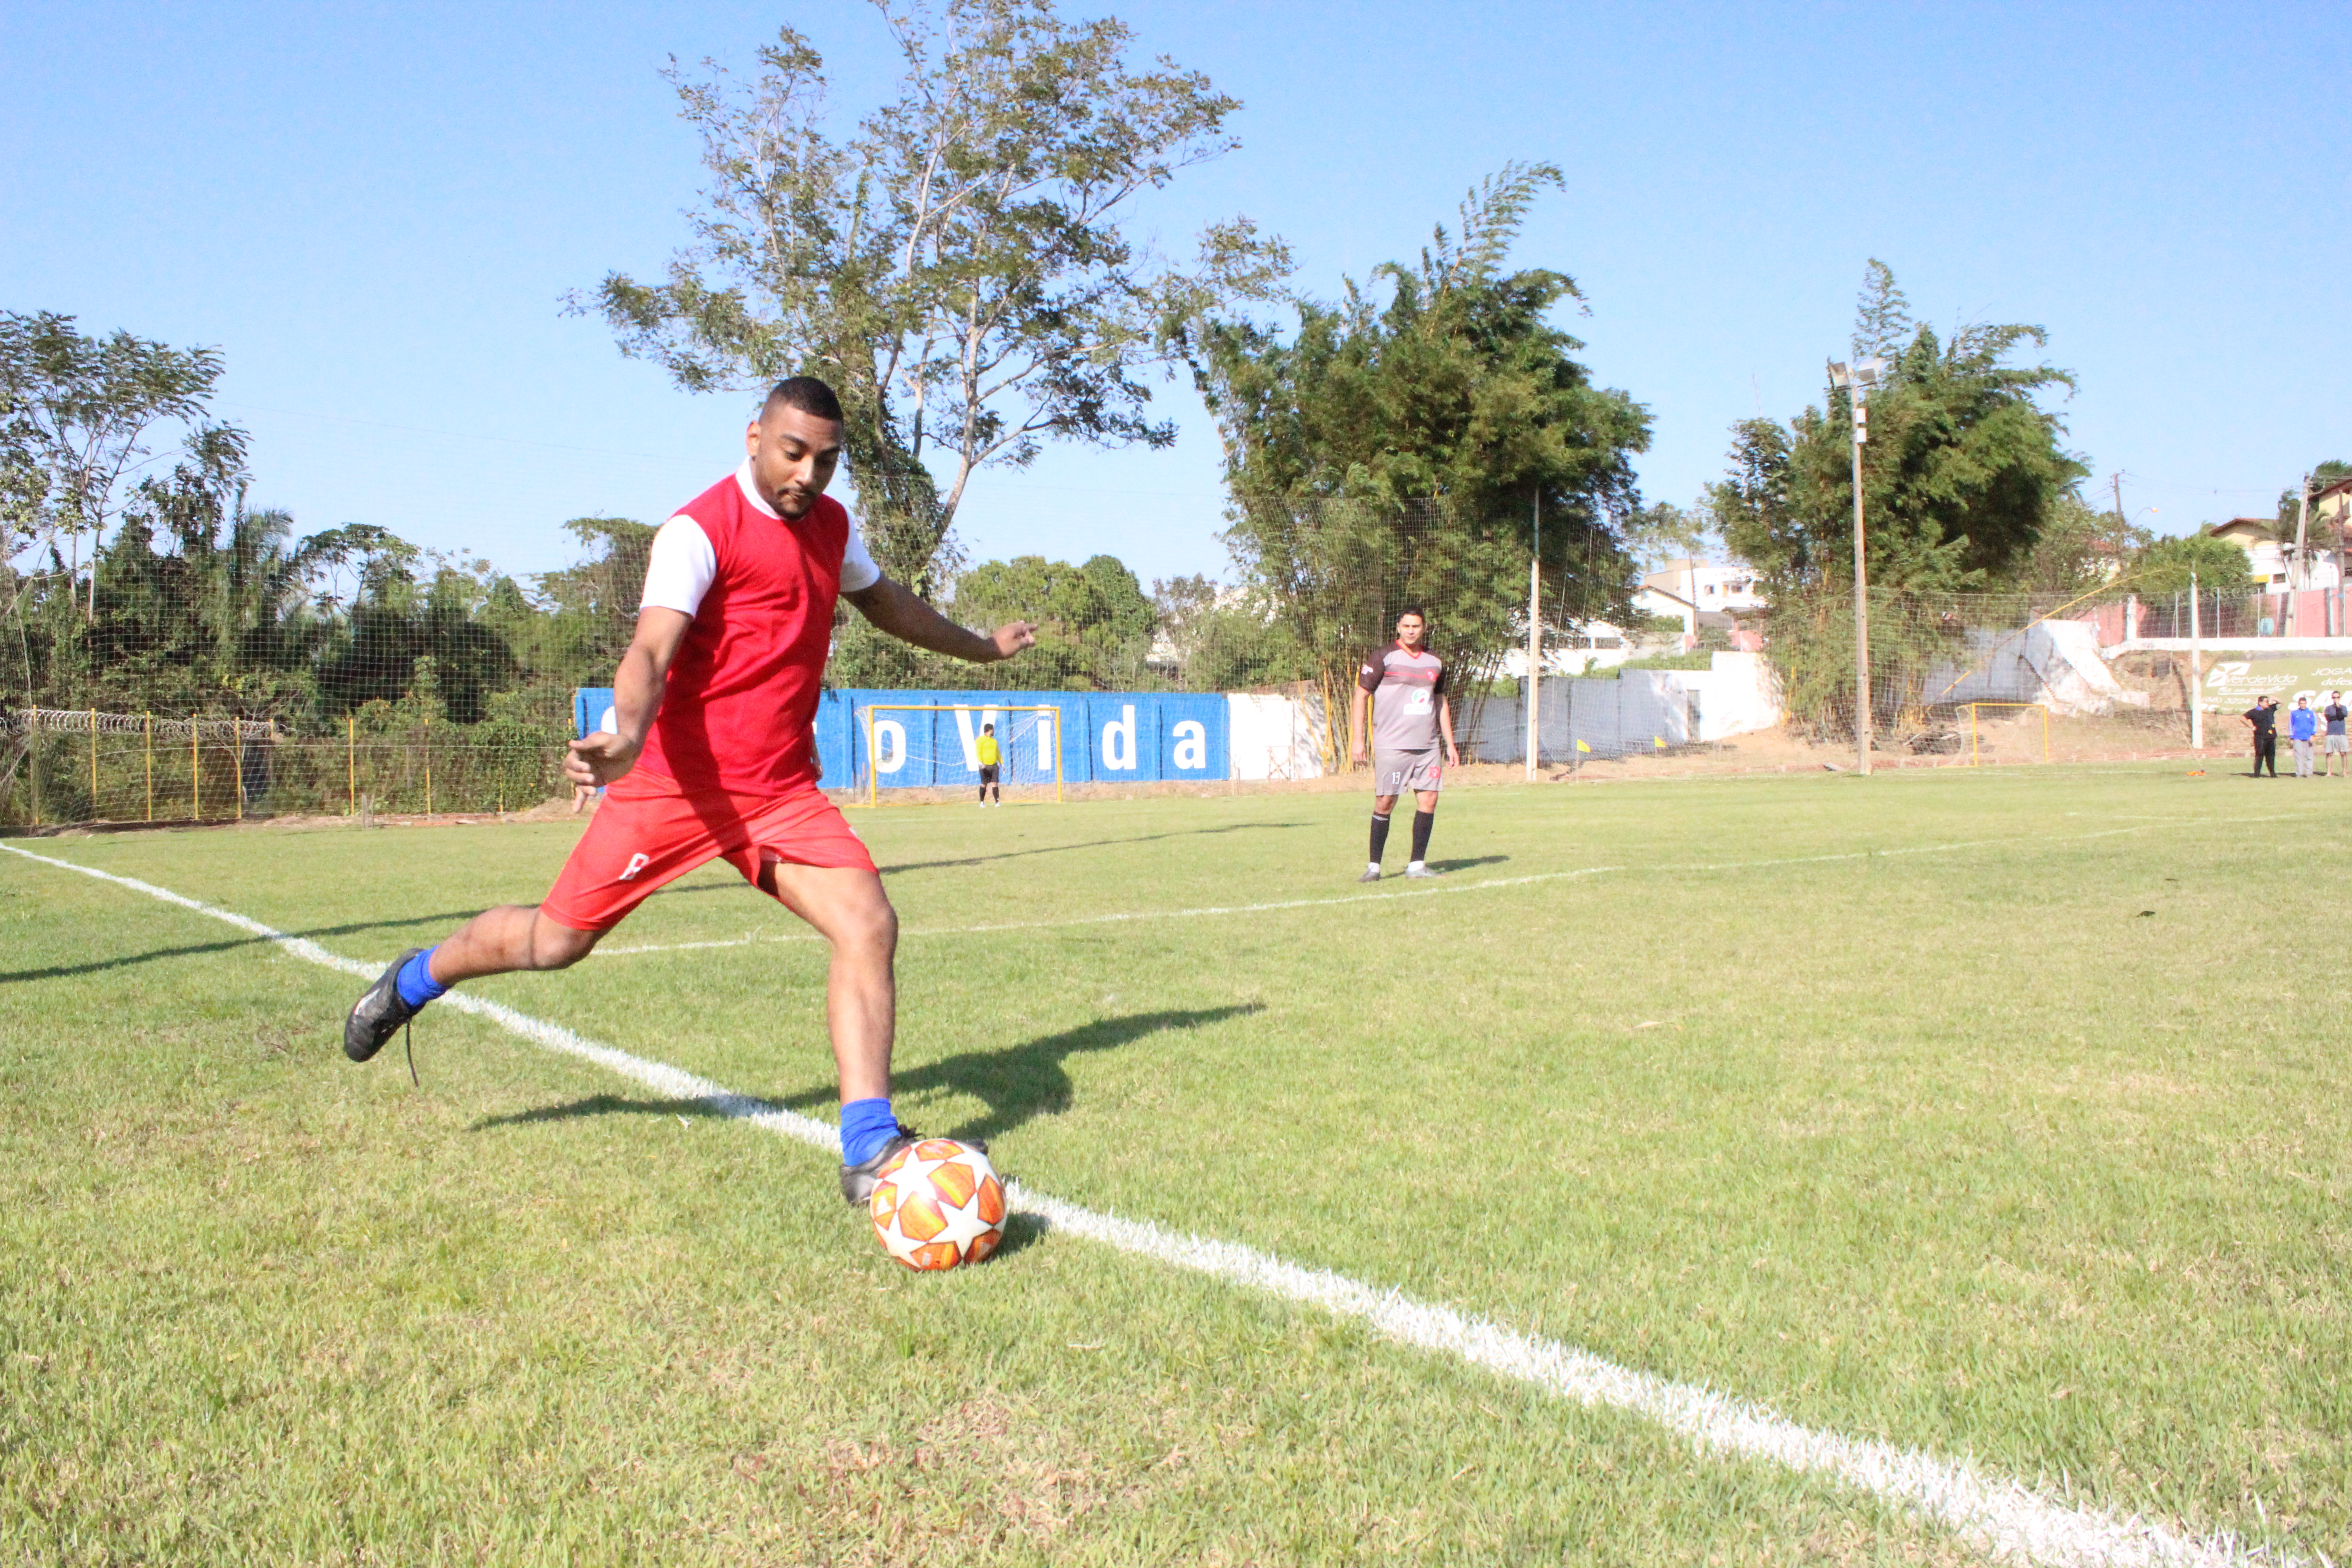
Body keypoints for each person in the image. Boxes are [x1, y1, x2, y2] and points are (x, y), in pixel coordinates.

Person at [340, 377, 1038, 1203]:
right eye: (792, 453)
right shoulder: (696, 531)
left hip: (778, 792)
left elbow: (886, 604)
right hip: (672, 788)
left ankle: (868, 1147)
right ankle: (416, 979)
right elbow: (649, 652)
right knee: (553, 945)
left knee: (867, 921)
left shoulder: (831, 528)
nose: (808, 475)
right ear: (753, 438)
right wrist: (626, 736)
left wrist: (979, 648)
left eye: (826, 460)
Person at [1348, 608, 1460, 882]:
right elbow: (1361, 695)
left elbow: (1440, 701)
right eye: (1406, 626)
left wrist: (1450, 743)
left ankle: (1417, 866)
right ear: (1398, 627)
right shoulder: (1383, 657)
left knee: (1429, 800)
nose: (1411, 631)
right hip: (1392, 745)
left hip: (1428, 746)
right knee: (1386, 801)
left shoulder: (1435, 661)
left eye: (1416, 626)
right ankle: (1374, 868)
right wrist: (1357, 739)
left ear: (1424, 628)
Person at [2242, 696, 2279, 777]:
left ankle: (2272, 773)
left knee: (2271, 756)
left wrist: (2275, 699)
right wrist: (2251, 726)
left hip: (2271, 737)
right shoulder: (2254, 712)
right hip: (2261, 737)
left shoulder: (2270, 710)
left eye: (2268, 702)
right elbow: (2242, 718)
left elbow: (2281, 703)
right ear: (2260, 703)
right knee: (2260, 755)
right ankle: (2257, 773)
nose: (2267, 704)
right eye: (2266, 702)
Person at [2289, 696, 2319, 778]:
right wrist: (2292, 737)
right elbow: (2291, 725)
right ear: (2299, 704)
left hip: (2308, 737)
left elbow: (2315, 724)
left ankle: (2309, 773)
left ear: (2306, 704)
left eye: (2304, 703)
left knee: (2309, 756)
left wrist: (2313, 734)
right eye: (2301, 704)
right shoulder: (2294, 713)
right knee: (2298, 756)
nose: (2303, 705)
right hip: (2298, 737)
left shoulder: (2311, 713)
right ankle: (2299, 773)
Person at [975, 721, 1001, 807]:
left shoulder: (994, 741)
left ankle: (997, 802)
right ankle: (982, 802)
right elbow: (978, 752)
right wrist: (980, 762)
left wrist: (1002, 763)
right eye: (993, 730)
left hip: (994, 765)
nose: (994, 731)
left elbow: (998, 753)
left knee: (995, 784)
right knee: (984, 784)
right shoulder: (980, 740)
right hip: (985, 766)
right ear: (990, 730)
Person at [2324, 691, 2349, 778]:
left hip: (2341, 733)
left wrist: (2338, 708)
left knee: (2343, 753)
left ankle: (2345, 772)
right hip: (2331, 733)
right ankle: (2329, 772)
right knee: (2329, 753)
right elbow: (2329, 718)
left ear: (2340, 698)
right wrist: (2338, 716)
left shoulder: (2343, 708)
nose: (2336, 699)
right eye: (2334, 698)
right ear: (2332, 698)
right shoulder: (2328, 708)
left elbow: (2343, 715)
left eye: (2337, 697)